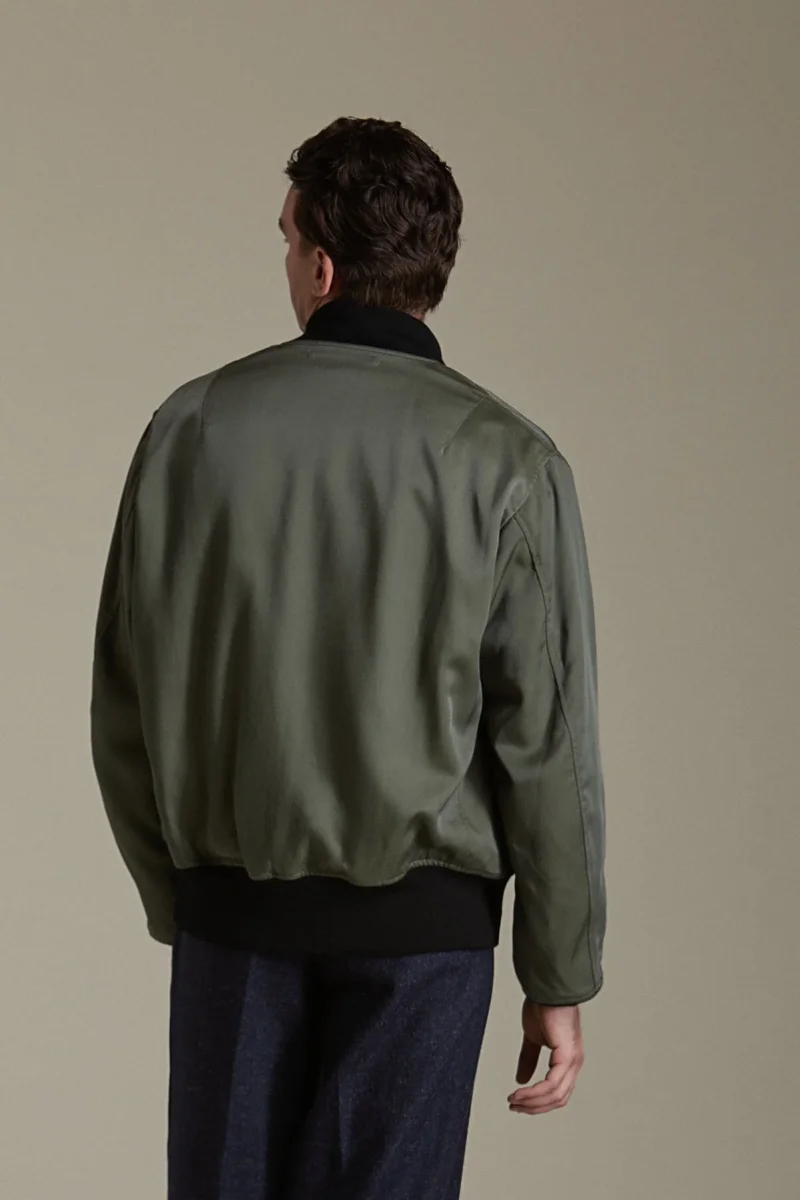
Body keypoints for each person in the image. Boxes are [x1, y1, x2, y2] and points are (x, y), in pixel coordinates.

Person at [90, 116, 607, 1200]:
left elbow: (125, 694)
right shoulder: (507, 459)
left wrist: (182, 895)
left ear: (321, 266)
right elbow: (546, 739)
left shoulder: (191, 428)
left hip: (234, 917)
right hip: (425, 940)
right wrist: (556, 970)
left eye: (286, 240)